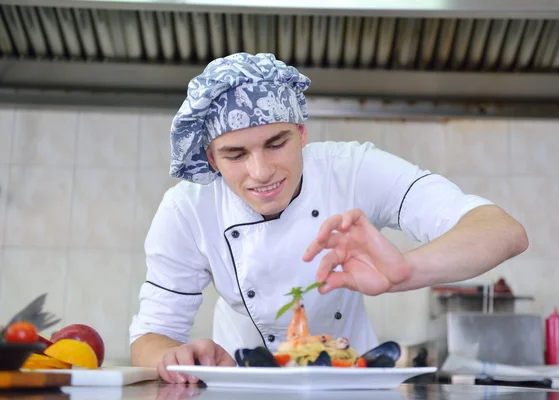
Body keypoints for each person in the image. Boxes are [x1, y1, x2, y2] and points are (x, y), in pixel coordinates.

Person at [129, 53, 528, 383]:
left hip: (354, 389)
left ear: (302, 132)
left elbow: (503, 231)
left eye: (276, 143)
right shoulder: (188, 209)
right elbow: (148, 339)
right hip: (244, 391)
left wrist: (402, 269)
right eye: (236, 154)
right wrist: (174, 355)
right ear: (212, 158)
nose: (261, 171)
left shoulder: (351, 169)